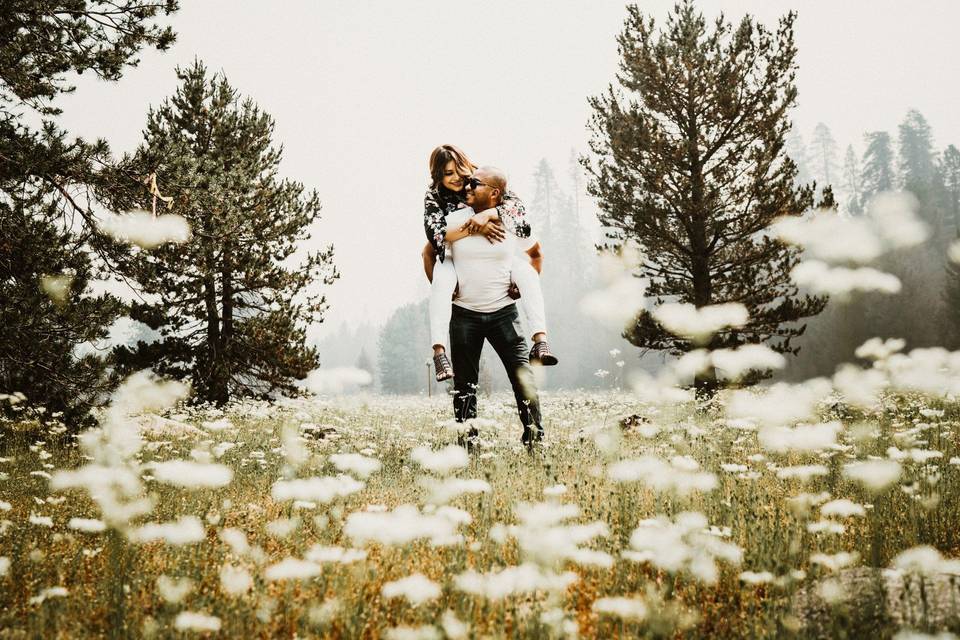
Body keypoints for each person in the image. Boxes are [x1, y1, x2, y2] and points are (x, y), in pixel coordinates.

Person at [421, 144, 557, 382]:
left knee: (526, 273)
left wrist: (490, 214)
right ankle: (439, 352)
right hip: (456, 257)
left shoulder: (480, 178)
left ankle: (541, 341)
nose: (456, 179)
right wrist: (475, 226)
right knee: (441, 277)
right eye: (447, 174)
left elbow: (518, 212)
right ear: (438, 177)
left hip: (498, 263)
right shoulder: (435, 195)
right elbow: (434, 237)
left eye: (458, 170)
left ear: (467, 165)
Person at [444, 166, 545, 449]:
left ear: (494, 193)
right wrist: (443, 289)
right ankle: (467, 446)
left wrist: (521, 287)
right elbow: (431, 249)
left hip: (504, 314)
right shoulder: (454, 218)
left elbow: (536, 254)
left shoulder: (512, 221)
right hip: (464, 315)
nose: (467, 187)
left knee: (523, 379)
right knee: (465, 387)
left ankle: (535, 440)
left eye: (475, 184)